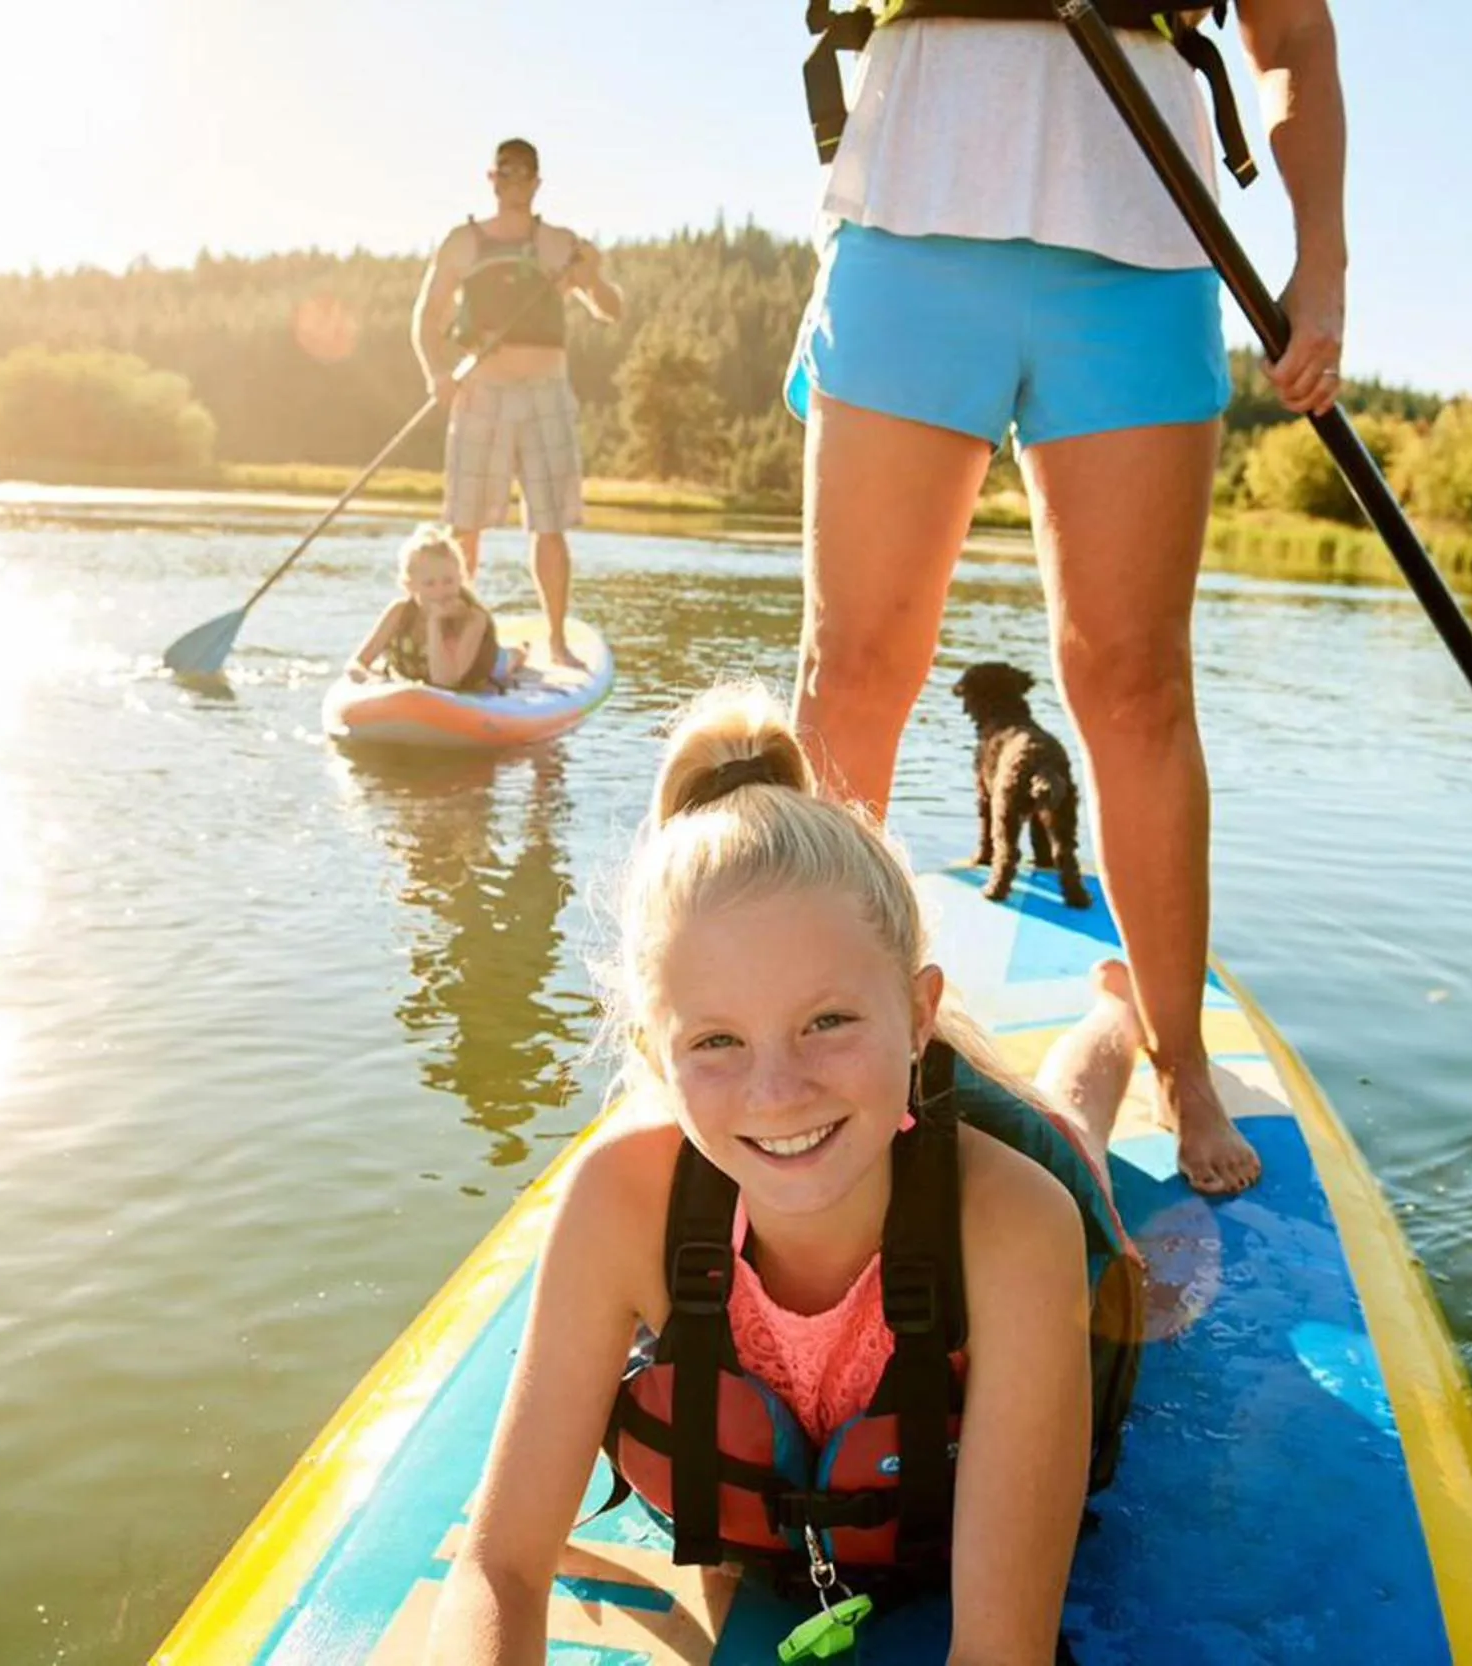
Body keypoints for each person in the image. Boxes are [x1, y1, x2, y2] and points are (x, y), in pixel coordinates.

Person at [429, 684, 1150, 1662]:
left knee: (1078, 1125)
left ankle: (1119, 1015)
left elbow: (1000, 1652)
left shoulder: (1017, 1222)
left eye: (828, 1021)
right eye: (718, 1039)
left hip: (1018, 1152)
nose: (777, 1092)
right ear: (655, 1050)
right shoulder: (620, 1204)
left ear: (918, 1011)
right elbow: (500, 1565)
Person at [785, 0, 1349, 1196]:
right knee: (858, 666)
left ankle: (1178, 1053)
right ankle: (803, 1035)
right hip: (909, 211)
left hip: (1139, 244)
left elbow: (1292, 40)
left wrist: (1324, 260)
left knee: (1133, 681)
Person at [413, 137, 625, 671]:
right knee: (466, 524)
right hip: (479, 392)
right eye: (504, 173)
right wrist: (436, 373)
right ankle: (452, 640)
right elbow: (427, 319)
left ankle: (555, 642)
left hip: (545, 395)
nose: (514, 181)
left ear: (536, 181)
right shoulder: (463, 242)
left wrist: (594, 275)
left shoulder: (558, 245)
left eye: (524, 173)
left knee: (549, 524)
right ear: (491, 178)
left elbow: (611, 310)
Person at [344, 524, 518, 693]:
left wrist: (435, 622)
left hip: (473, 672)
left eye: (448, 581)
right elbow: (357, 663)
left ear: (461, 578)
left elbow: (445, 682)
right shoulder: (399, 612)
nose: (440, 591)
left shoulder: (473, 618)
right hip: (418, 683)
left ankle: (517, 653)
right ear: (410, 586)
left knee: (503, 664)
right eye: (429, 583)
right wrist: (369, 681)